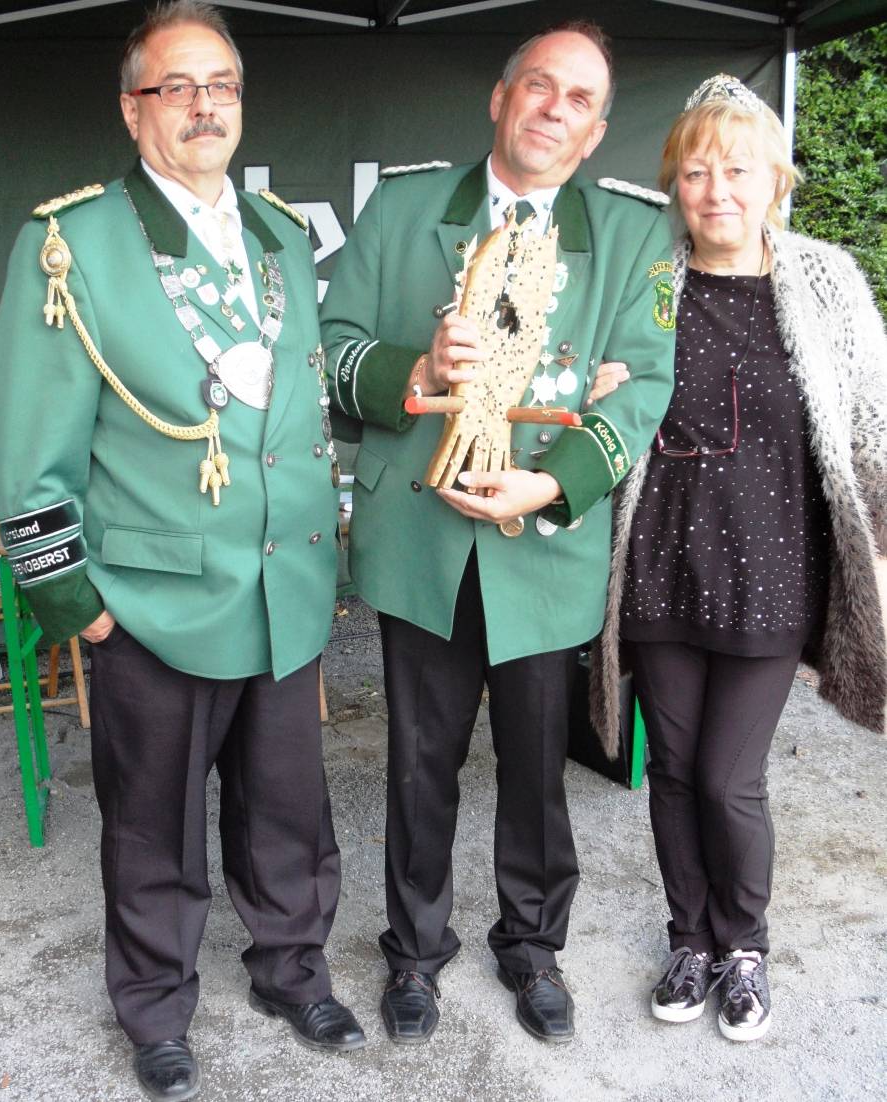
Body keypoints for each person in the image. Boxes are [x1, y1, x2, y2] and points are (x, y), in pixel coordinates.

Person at [0, 2, 366, 1097]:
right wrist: (79, 606)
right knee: (150, 831)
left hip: (282, 585)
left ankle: (293, 968)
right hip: (147, 600)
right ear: (132, 108)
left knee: (289, 809)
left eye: (224, 86)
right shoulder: (72, 241)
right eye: (177, 87)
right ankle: (155, 1009)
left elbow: (295, 408)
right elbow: (28, 446)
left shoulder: (280, 234)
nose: (205, 106)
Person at [320, 22, 676, 1045]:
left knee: (535, 765)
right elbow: (334, 353)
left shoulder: (634, 236)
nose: (552, 110)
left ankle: (531, 944)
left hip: (541, 540)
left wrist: (552, 484)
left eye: (576, 100)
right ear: (498, 95)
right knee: (419, 762)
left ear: (596, 129)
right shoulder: (399, 208)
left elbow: (643, 386)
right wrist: (419, 369)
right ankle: (415, 954)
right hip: (421, 539)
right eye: (537, 87)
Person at [588, 74, 887, 1042]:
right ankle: (691, 939)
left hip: (773, 568)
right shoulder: (642, 284)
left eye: (738, 170)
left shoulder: (826, 282)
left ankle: (744, 944)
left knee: (727, 776)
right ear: (674, 184)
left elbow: (870, 433)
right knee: (671, 769)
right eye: (696, 171)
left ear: (774, 182)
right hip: (660, 565)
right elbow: (591, 411)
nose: (717, 190)